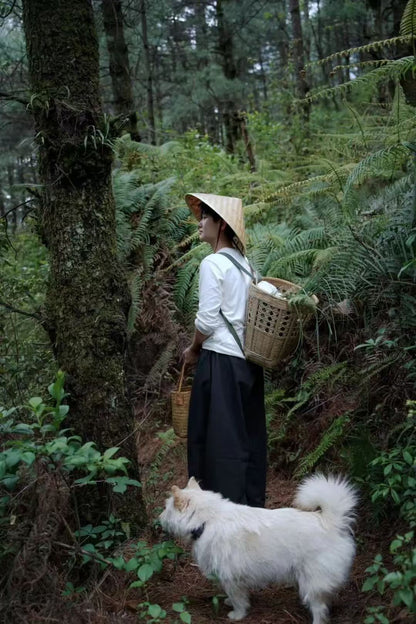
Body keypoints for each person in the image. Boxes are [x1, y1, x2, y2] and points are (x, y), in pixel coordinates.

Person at [182, 193, 267, 507]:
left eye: (205, 216)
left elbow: (206, 321)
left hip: (220, 363)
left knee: (218, 443)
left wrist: (192, 350)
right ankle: (251, 508)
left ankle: (220, 517)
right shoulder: (246, 267)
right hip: (248, 363)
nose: (200, 223)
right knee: (248, 438)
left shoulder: (212, 263)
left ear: (221, 225)